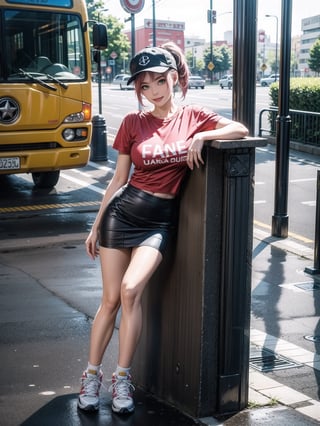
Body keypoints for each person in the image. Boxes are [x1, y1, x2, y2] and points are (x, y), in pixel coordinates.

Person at [77, 42, 249, 415]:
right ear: (138, 89)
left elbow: (240, 128)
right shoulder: (132, 123)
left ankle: (122, 378)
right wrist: (95, 226)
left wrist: (204, 136)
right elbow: (118, 179)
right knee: (109, 301)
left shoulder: (193, 117)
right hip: (121, 217)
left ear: (173, 77)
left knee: (131, 289)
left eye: (159, 81)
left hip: (159, 221)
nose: (153, 91)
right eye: (144, 85)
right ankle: (91, 375)